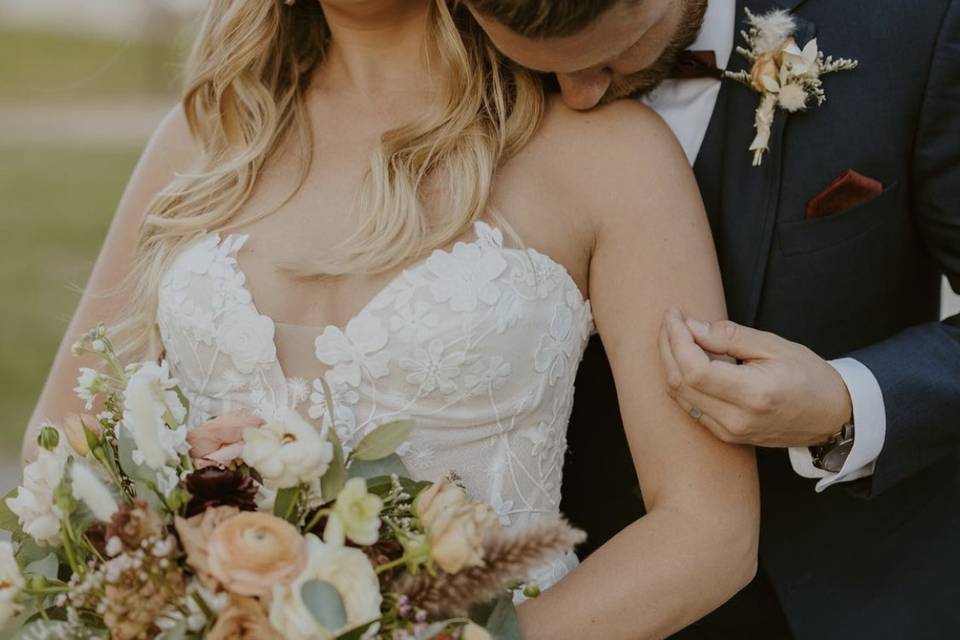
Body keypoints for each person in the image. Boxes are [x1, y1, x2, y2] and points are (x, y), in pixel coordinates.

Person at [20, 0, 759, 638]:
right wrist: (179, 517)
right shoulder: (208, 137)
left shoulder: (609, 155)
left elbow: (708, 528)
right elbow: (60, 445)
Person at [467, 0, 960, 638]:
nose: (579, 95)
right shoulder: (442, 47)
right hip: (566, 595)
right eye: (545, 69)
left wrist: (850, 403)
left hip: (846, 593)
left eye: (611, 56)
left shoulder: (913, 23)